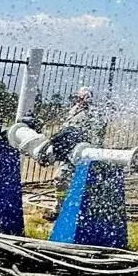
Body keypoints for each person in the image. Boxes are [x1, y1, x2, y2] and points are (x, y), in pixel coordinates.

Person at [45, 87, 106, 220]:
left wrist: (91, 152)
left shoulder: (94, 114)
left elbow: (97, 136)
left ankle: (85, 211)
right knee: (60, 179)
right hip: (69, 152)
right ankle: (59, 208)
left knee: (83, 183)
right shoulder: (73, 111)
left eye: (81, 97)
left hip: (83, 154)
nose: (78, 100)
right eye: (77, 97)